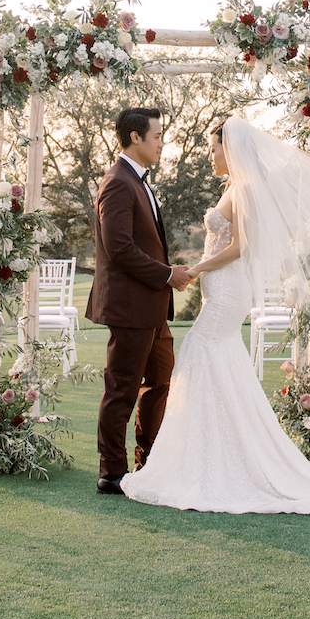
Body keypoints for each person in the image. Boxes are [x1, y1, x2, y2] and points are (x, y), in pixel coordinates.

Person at [117, 115, 310, 514]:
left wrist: (197, 269)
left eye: (213, 149)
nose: (209, 156)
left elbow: (240, 248)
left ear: (228, 149)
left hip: (228, 293)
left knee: (199, 355)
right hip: (222, 292)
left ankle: (207, 462)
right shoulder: (234, 186)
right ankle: (216, 455)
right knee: (219, 366)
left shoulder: (245, 188)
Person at [87, 107, 194, 495]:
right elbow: (119, 248)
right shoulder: (117, 182)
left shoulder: (139, 181)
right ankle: (111, 472)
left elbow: (143, 243)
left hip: (151, 308)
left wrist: (168, 271)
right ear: (136, 138)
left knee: (160, 383)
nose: (162, 141)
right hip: (131, 308)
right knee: (122, 390)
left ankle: (147, 461)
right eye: (157, 135)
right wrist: (168, 275)